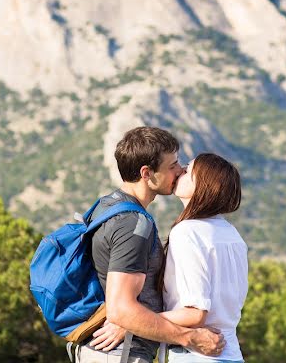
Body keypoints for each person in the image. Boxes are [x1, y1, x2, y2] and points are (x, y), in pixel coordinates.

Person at [73, 127, 225, 363]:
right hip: (120, 354)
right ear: (147, 173)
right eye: (172, 165)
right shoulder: (134, 224)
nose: (180, 169)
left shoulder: (105, 206)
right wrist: (190, 337)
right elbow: (121, 310)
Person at [91, 153, 248, 363]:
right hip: (231, 353)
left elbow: (195, 313)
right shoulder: (232, 234)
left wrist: (131, 322)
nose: (180, 171)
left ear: (204, 185)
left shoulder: (188, 232)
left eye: (188, 171)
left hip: (197, 356)